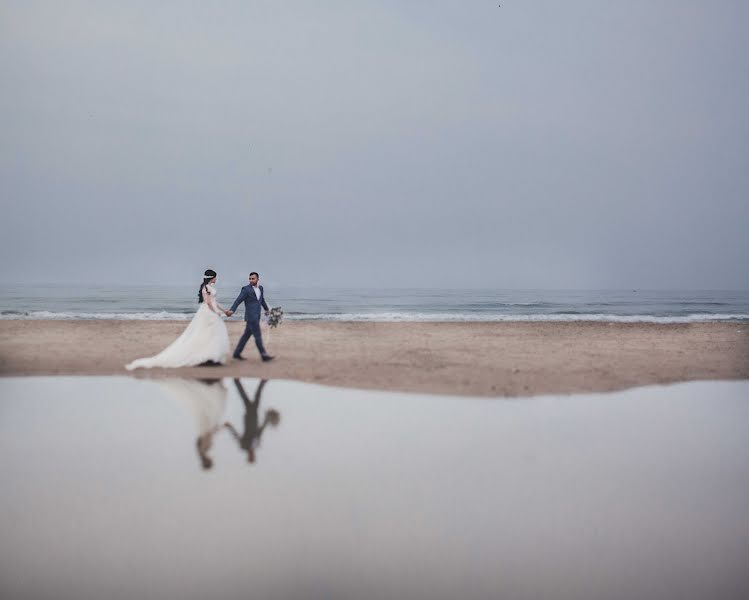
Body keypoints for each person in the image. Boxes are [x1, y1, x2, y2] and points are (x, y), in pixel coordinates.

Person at [125, 269, 230, 370]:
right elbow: (208, 303)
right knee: (206, 333)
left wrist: (224, 310)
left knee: (212, 334)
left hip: (212, 312)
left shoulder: (209, 288)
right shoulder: (205, 288)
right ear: (212, 277)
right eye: (215, 277)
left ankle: (211, 356)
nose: (216, 279)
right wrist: (215, 312)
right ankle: (207, 357)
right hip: (208, 313)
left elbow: (214, 302)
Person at [225, 271, 275, 362]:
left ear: (257, 279)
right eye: (250, 278)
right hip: (251, 317)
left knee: (246, 335)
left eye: (253, 278)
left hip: (257, 315)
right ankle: (264, 354)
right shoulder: (246, 289)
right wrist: (232, 310)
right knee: (257, 335)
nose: (251, 280)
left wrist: (266, 309)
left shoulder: (261, 288)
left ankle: (237, 353)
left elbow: (262, 300)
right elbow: (238, 300)